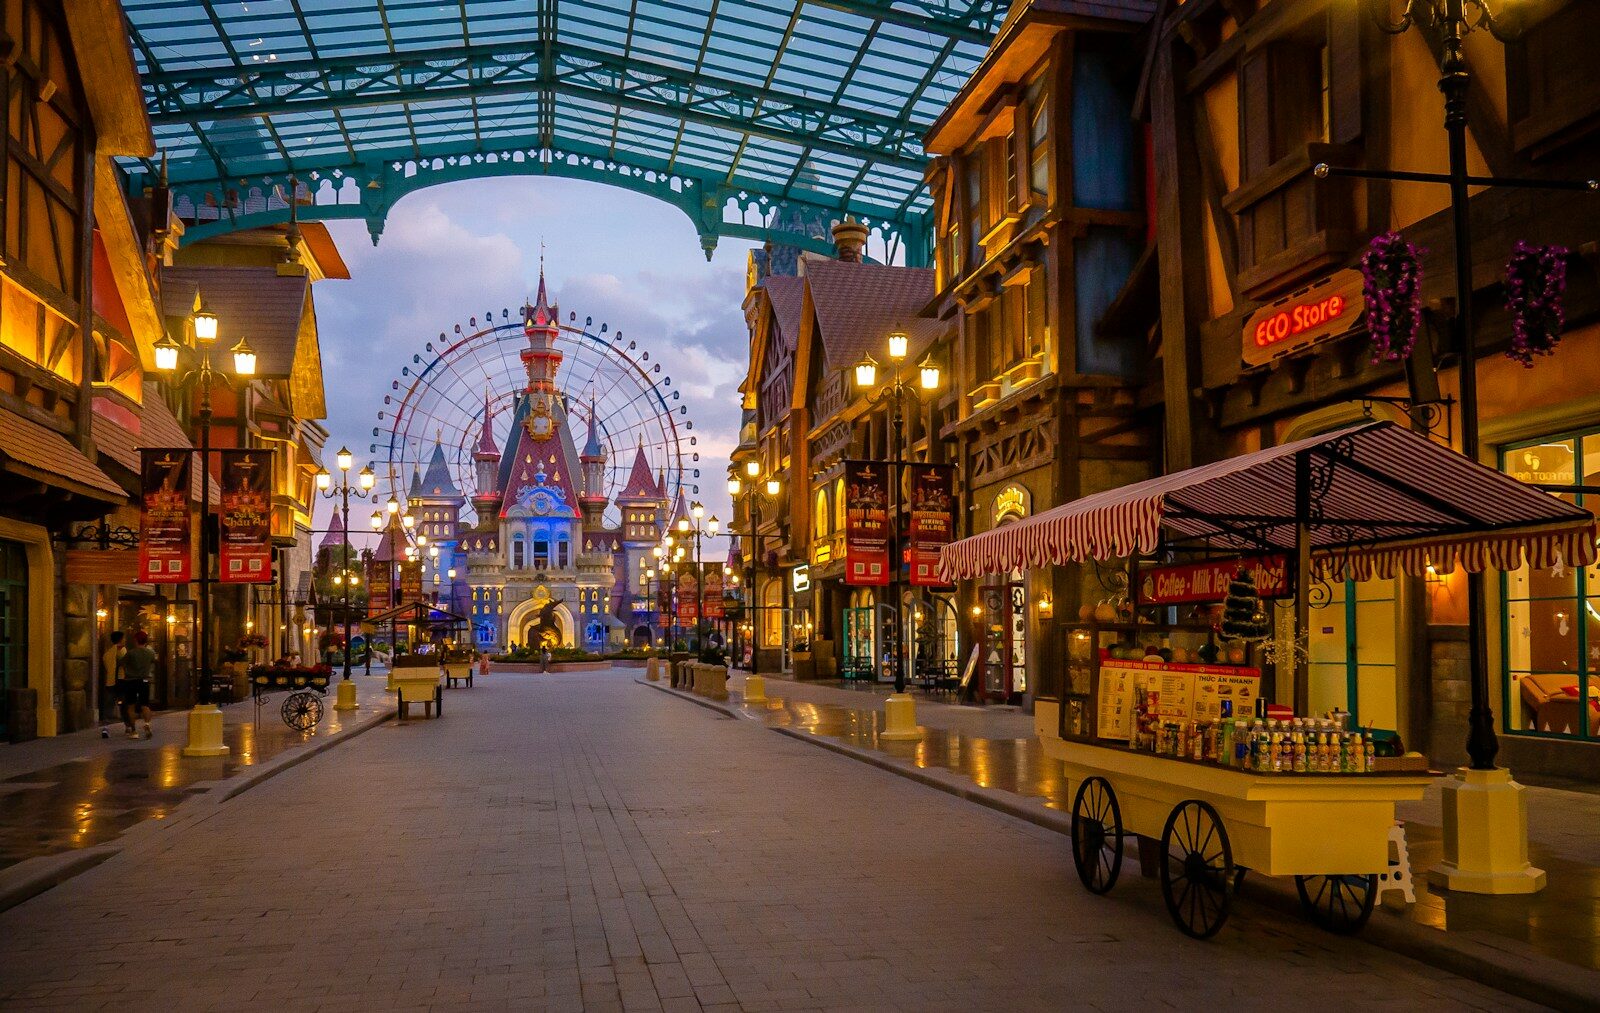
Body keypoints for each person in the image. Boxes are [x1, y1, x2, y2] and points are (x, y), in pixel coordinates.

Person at [120, 631, 158, 740]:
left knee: (131, 706)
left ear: (136, 640)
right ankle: (147, 724)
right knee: (145, 705)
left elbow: (121, 663)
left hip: (131, 681)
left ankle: (134, 731)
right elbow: (154, 661)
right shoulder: (150, 653)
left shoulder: (131, 653)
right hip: (144, 680)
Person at [100, 630, 126, 734]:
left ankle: (105, 728)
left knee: (109, 705)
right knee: (124, 704)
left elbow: (107, 668)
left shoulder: (107, 654)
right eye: (123, 638)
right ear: (120, 639)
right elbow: (126, 665)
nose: (125, 640)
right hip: (121, 680)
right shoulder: (123, 650)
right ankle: (127, 725)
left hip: (110, 682)